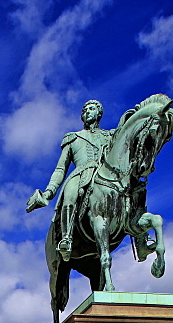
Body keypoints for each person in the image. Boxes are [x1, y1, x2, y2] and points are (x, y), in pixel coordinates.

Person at [26, 99, 114, 262]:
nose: (88, 112)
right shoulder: (74, 138)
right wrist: (48, 192)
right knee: (70, 195)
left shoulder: (110, 136)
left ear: (99, 113)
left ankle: (140, 239)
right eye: (85, 110)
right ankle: (66, 238)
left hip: (106, 176)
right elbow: (61, 169)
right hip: (80, 174)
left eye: (92, 109)